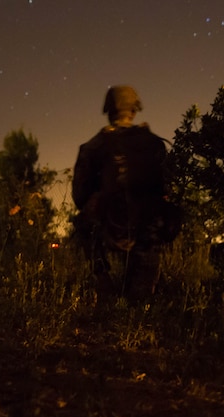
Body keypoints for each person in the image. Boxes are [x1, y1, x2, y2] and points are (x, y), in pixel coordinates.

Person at [72, 85, 180, 305]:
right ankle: (141, 293)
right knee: (140, 300)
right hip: (150, 230)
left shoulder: (94, 146)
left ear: (109, 110)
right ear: (134, 110)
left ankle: (102, 280)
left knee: (83, 223)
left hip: (113, 226)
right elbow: (166, 188)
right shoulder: (154, 143)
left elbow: (79, 196)